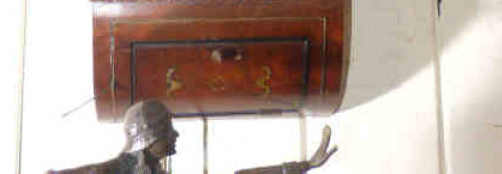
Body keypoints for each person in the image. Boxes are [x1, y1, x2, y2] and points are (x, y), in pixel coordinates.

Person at [47, 101, 336, 174]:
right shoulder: (119, 168)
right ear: (150, 134)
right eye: (168, 128)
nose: (175, 134)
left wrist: (302, 165)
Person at [47, 100, 178, 174]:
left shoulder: (152, 169)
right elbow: (95, 171)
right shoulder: (124, 167)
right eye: (165, 130)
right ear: (147, 139)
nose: (176, 135)